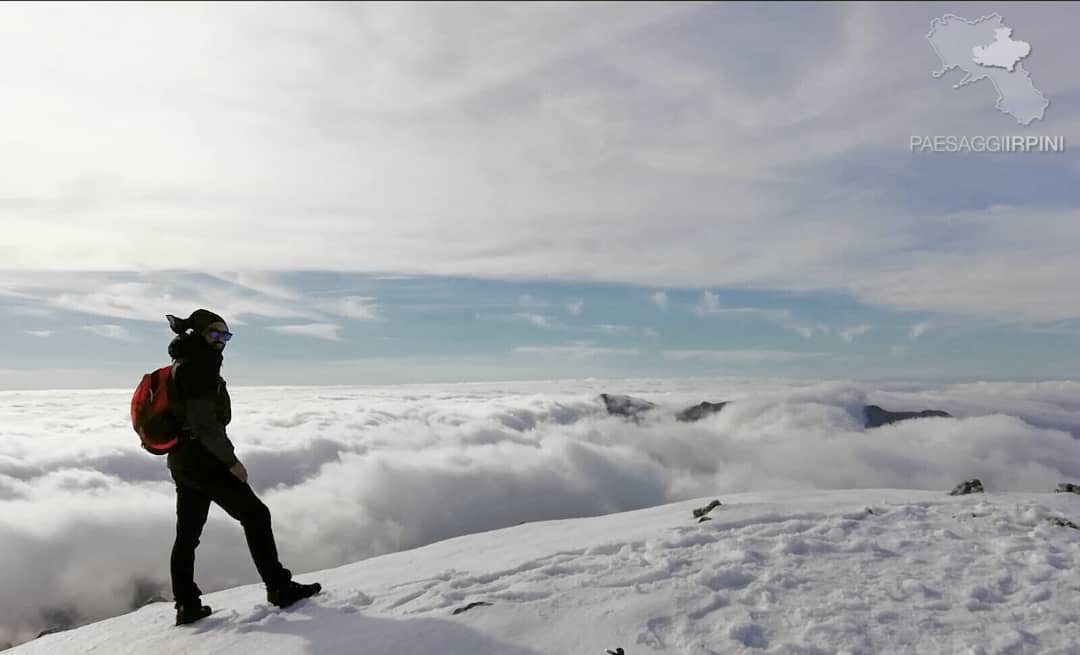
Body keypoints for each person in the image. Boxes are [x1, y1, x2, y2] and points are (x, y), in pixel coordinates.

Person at [164, 309, 320, 626]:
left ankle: (187, 605)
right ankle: (278, 587)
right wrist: (231, 461)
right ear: (197, 334)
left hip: (181, 460)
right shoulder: (199, 366)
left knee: (187, 535)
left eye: (226, 335)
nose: (221, 341)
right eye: (214, 334)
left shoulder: (181, 363)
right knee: (256, 515)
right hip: (203, 456)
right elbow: (206, 424)